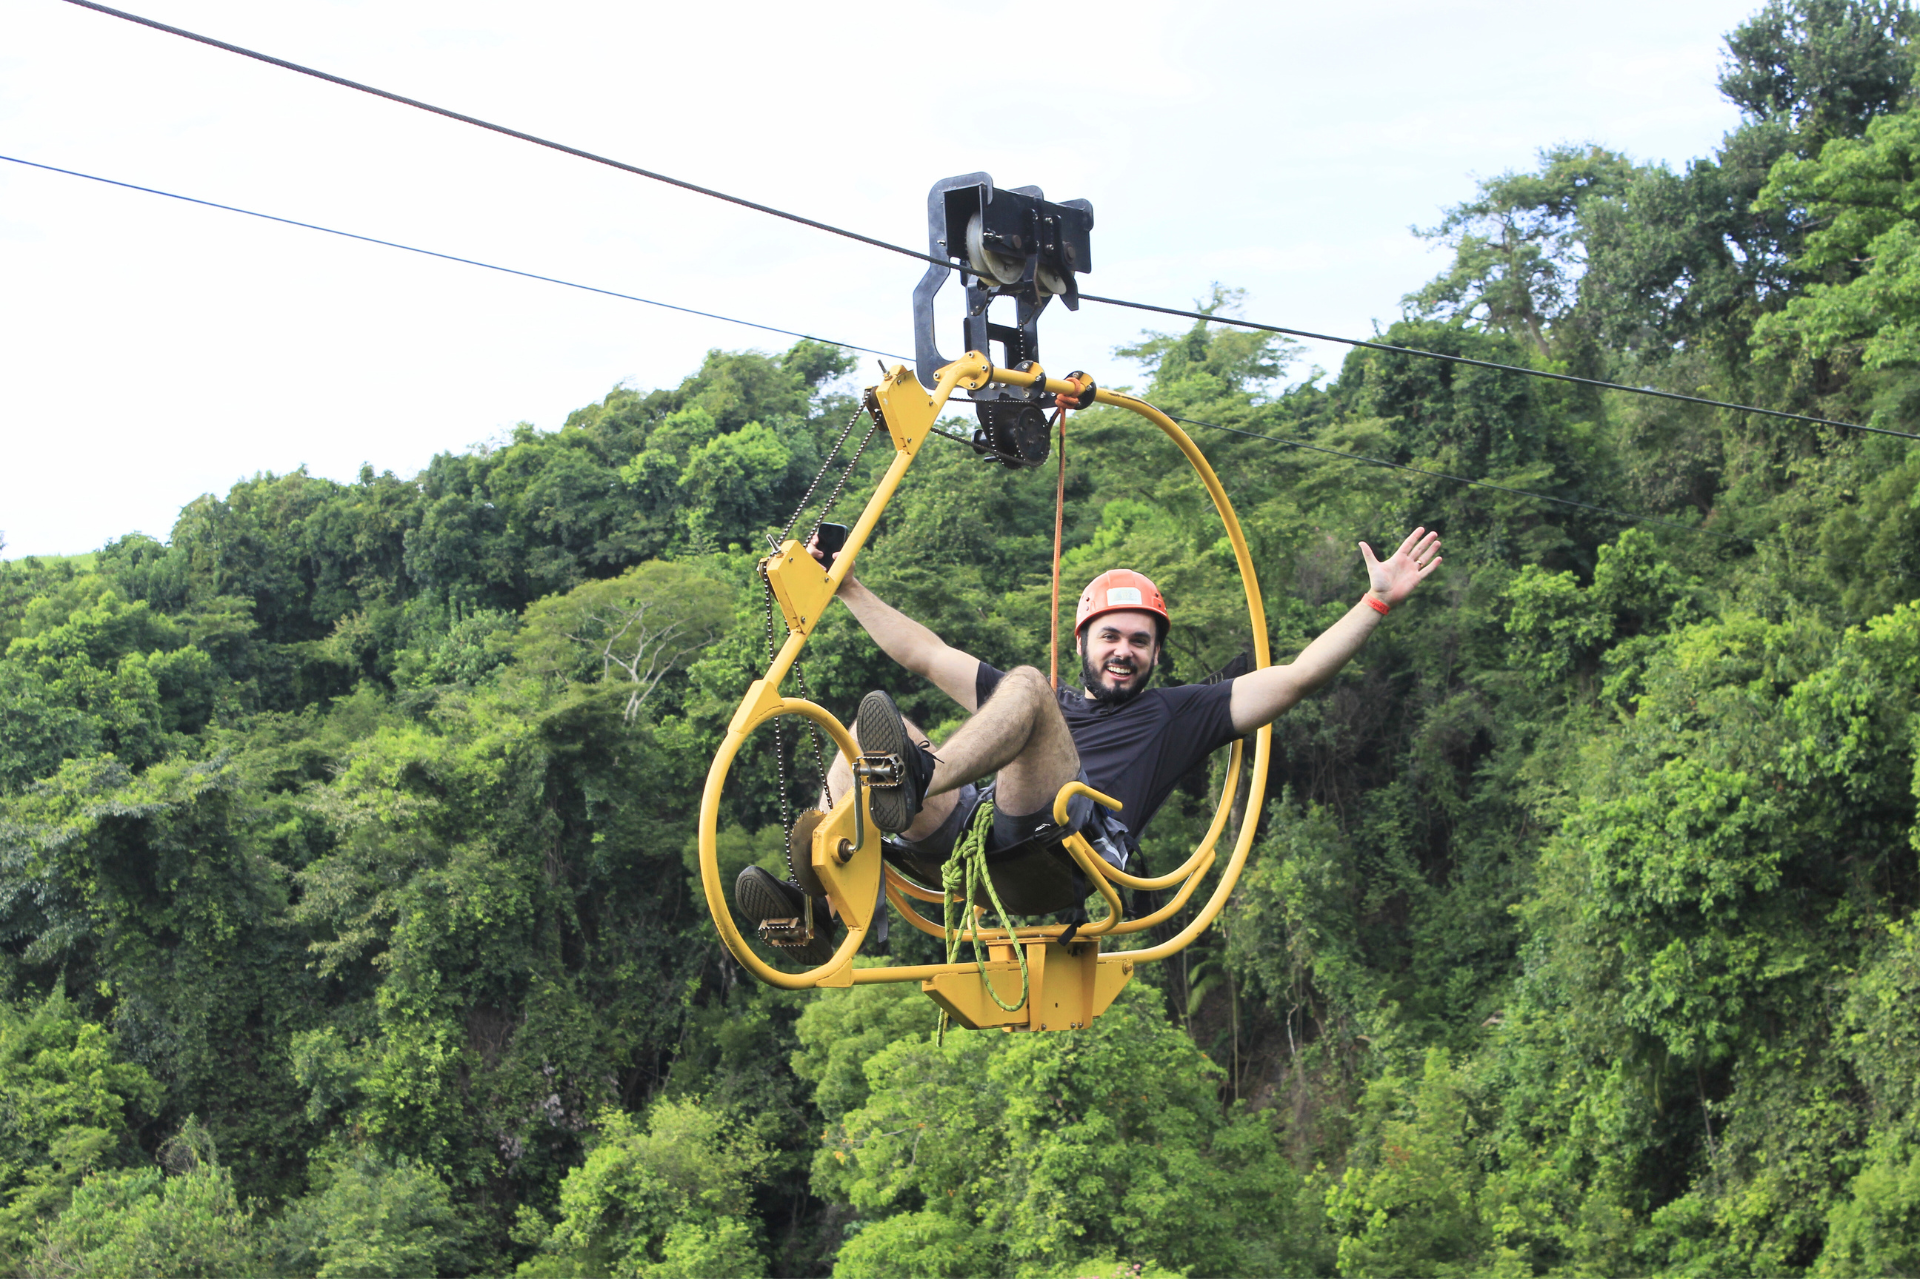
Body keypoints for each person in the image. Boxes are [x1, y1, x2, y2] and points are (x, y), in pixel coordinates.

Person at [736, 528, 1443, 959]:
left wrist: (1376, 601)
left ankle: (919, 779)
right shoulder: (1045, 703)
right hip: (976, 838)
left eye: (1140, 641)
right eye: (1112, 636)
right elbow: (924, 653)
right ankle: (819, 905)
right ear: (1084, 642)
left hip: (1061, 856)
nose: (1125, 652)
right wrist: (850, 586)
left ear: (1157, 654)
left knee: (1024, 692)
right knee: (861, 732)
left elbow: (1295, 679)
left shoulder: (1178, 714)